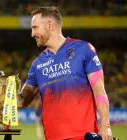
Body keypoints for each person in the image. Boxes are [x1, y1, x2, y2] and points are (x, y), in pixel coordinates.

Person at [17, 6, 113, 140]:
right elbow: (21, 100)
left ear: (50, 25)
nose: (32, 34)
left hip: (84, 136)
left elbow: (99, 91)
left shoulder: (84, 49)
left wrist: (105, 126)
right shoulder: (37, 65)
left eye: (35, 27)